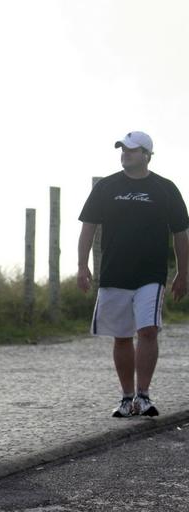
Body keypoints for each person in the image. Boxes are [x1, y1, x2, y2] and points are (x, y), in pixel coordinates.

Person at [77, 130, 189, 418]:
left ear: (147, 155)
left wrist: (183, 272)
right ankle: (127, 398)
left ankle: (143, 395)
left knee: (148, 330)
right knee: (122, 335)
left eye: (132, 149)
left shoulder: (165, 189)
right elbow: (88, 226)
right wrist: (82, 266)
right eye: (123, 149)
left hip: (151, 274)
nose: (125, 153)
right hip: (114, 273)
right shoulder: (107, 187)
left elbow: (181, 233)